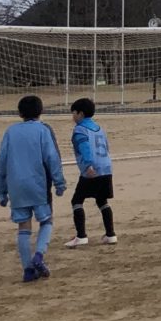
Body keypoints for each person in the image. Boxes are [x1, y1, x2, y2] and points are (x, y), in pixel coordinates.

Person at [0, 95, 67, 284]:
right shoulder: (43, 130)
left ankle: (27, 269)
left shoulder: (10, 132)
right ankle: (39, 255)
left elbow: (1, 162)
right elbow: (52, 158)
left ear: (20, 113)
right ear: (41, 111)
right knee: (47, 220)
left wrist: (1, 190)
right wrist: (59, 183)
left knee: (23, 227)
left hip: (16, 186)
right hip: (38, 184)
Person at [63, 97, 117, 247]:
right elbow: (107, 147)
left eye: (74, 113)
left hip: (92, 169)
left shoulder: (80, 129)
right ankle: (110, 234)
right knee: (102, 200)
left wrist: (87, 165)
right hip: (106, 167)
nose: (73, 116)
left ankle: (81, 236)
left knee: (77, 201)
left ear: (80, 114)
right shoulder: (99, 128)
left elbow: (84, 147)